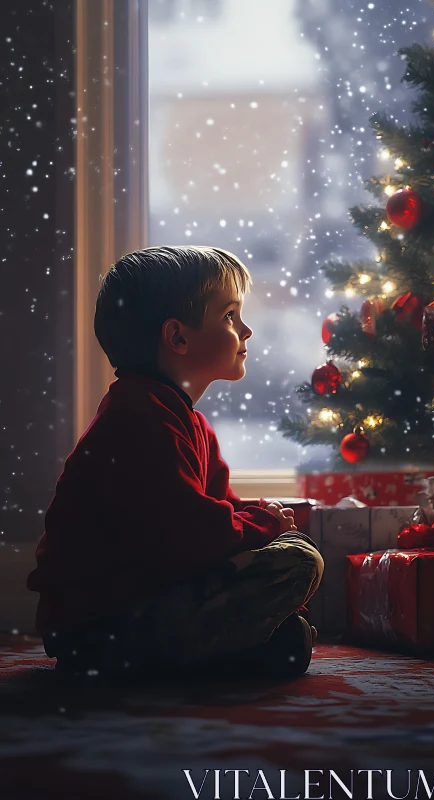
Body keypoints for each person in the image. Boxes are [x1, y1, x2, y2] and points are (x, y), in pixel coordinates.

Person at [26, 245, 324, 683]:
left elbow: (220, 510)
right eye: (229, 316)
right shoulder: (139, 416)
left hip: (143, 601)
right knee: (300, 558)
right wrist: (267, 526)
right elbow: (195, 533)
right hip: (101, 622)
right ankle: (136, 660)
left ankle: (214, 652)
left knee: (288, 634)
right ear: (178, 338)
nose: (247, 330)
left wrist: (260, 522)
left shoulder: (187, 421)